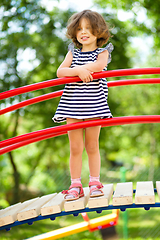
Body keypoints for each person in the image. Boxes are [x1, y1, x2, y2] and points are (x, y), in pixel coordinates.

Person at [53, 9, 113, 201]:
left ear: (98, 31)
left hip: (94, 105)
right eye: (79, 29)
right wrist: (77, 70)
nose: (83, 32)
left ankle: (95, 181)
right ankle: (75, 184)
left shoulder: (102, 52)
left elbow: (98, 67)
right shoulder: (73, 53)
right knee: (75, 147)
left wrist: (79, 70)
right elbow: (60, 72)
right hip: (72, 106)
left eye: (88, 28)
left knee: (92, 145)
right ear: (74, 33)